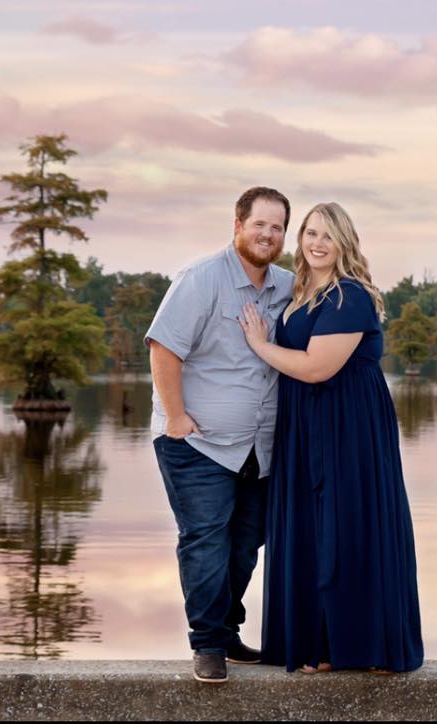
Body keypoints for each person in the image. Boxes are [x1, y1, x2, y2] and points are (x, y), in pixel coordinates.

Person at [236, 202, 424, 674]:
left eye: (328, 235)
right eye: (310, 233)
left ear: (345, 242)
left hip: (348, 424)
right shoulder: (300, 292)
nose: (317, 243)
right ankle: (316, 644)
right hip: (304, 422)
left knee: (347, 526)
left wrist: (261, 346)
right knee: (311, 527)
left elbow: (319, 367)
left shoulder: (349, 296)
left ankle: (362, 646)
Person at [144, 186, 295, 683]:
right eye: (260, 225)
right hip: (197, 442)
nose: (268, 235)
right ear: (237, 225)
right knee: (206, 539)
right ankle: (206, 642)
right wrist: (176, 417)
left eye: (277, 227)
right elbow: (164, 349)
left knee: (247, 542)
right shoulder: (202, 279)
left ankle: (227, 632)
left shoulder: (287, 287)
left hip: (261, 446)